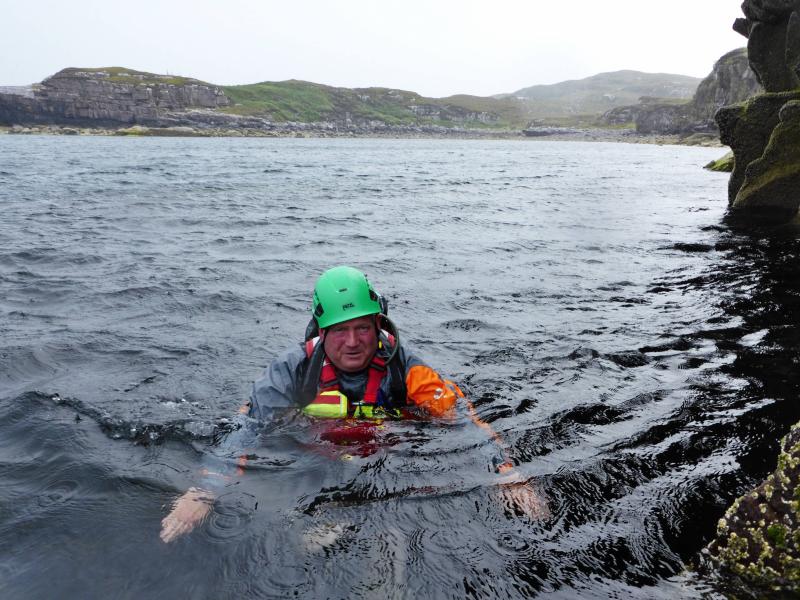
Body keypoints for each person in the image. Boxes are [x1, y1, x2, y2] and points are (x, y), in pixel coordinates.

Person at [160, 266, 545, 543]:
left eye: (363, 327)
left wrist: (506, 472)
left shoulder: (408, 370)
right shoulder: (291, 371)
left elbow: (465, 423)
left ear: (379, 325)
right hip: (313, 458)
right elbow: (248, 429)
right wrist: (205, 490)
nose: (353, 341)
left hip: (387, 461)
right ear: (321, 331)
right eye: (340, 331)